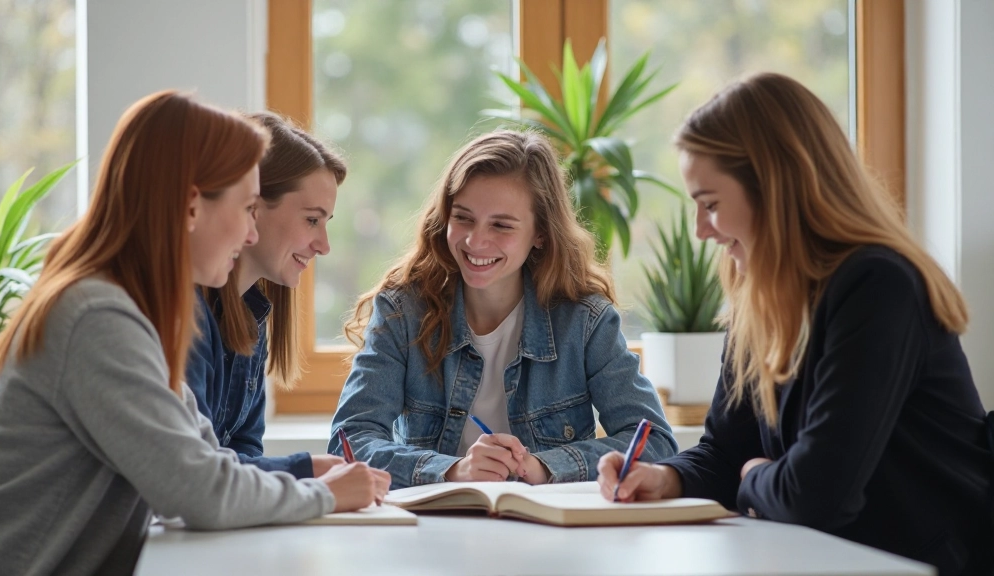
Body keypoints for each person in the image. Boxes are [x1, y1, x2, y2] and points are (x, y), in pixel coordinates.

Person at [0, 91, 388, 576]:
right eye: (246, 207)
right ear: (192, 206)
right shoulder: (96, 318)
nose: (250, 235)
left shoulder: (127, 309)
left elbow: (207, 458)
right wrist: (323, 494)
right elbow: (199, 491)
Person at [596, 73, 992, 576]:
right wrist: (665, 478)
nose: (700, 230)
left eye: (711, 204)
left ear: (774, 188)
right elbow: (726, 448)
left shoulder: (878, 285)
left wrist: (754, 476)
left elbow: (816, 496)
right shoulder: (758, 292)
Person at [331, 129, 677, 490]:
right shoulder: (402, 312)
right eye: (463, 218)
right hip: (433, 531)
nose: (475, 241)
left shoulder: (585, 321)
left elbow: (654, 443)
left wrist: (543, 467)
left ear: (540, 233)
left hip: (550, 532)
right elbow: (349, 442)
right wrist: (452, 471)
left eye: (501, 225)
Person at [186, 112, 347, 479]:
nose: (323, 245)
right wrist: (305, 472)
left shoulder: (251, 316)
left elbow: (244, 448)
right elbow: (196, 465)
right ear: (253, 208)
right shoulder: (188, 312)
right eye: (312, 220)